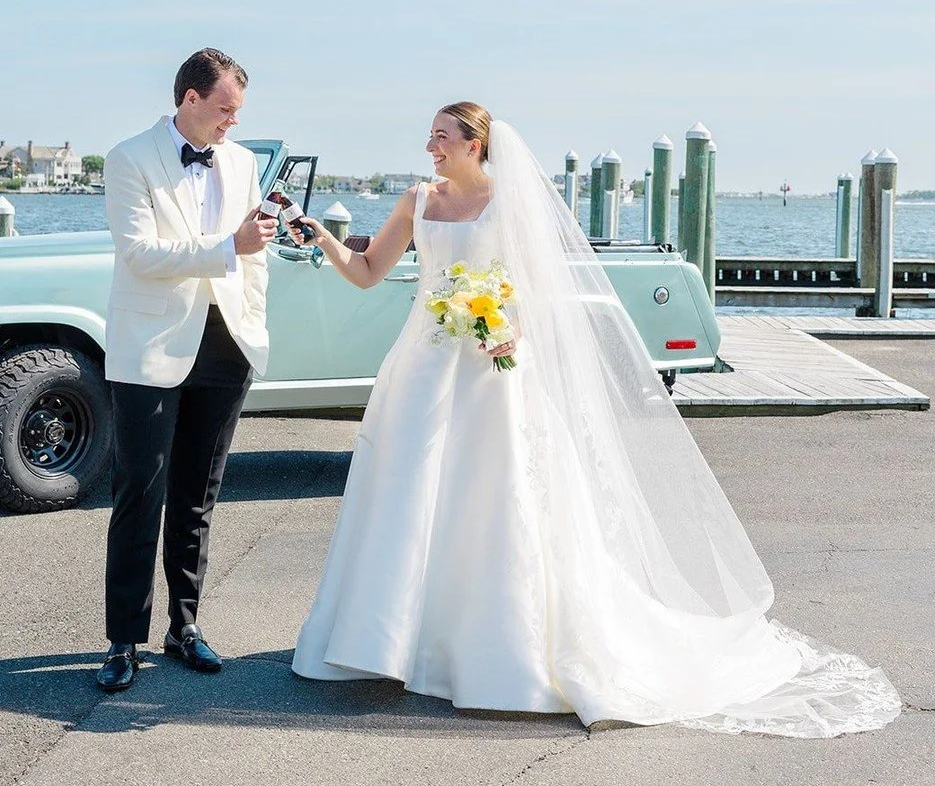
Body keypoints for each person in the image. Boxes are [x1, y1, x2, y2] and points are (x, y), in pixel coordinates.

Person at [290, 103, 901, 736]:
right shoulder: (419, 201)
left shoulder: (508, 204)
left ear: (476, 145)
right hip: (421, 367)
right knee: (404, 497)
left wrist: (509, 326)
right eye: (431, 136)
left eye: (443, 137)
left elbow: (537, 287)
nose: (431, 146)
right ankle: (389, 641)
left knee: (493, 501)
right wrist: (325, 238)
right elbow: (366, 273)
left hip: (490, 371)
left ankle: (486, 648)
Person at [95, 47, 277, 693]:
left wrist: (249, 310)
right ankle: (123, 641)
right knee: (138, 493)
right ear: (190, 99)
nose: (232, 122)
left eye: (238, 111)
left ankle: (184, 628)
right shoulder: (127, 157)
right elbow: (141, 254)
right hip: (149, 347)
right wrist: (230, 246)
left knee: (198, 496)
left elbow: (252, 256)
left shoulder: (244, 160)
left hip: (225, 343)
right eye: (225, 109)